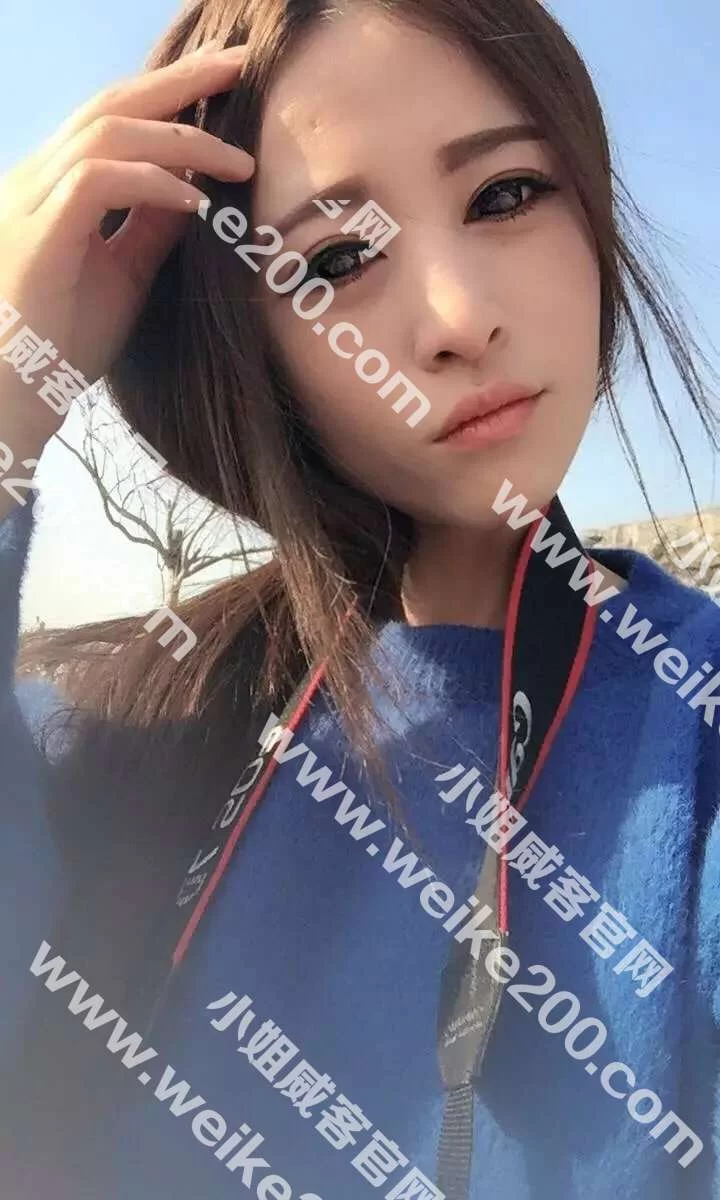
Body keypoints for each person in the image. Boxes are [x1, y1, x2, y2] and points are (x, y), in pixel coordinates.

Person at [0, 0, 718, 1197]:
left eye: (505, 194)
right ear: (242, 349)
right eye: (336, 261)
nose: (459, 319)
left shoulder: (691, 730)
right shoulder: (119, 723)